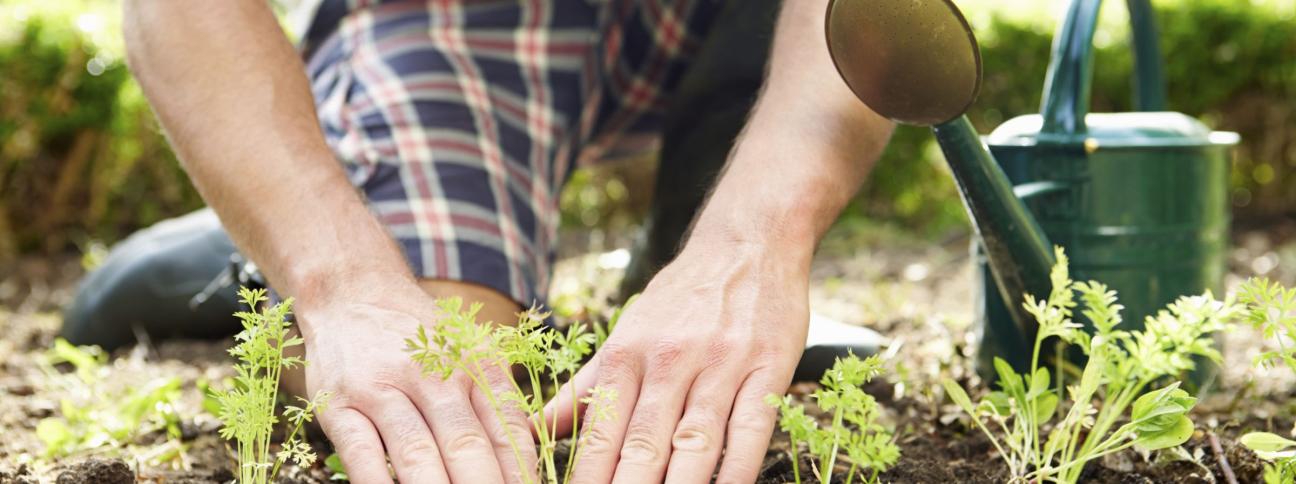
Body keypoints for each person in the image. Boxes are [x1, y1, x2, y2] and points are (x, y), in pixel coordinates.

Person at [65, 0, 893, 482]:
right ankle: (288, 222)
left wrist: (751, 247)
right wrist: (341, 282)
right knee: (439, 359)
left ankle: (683, 255)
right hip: (462, 18)